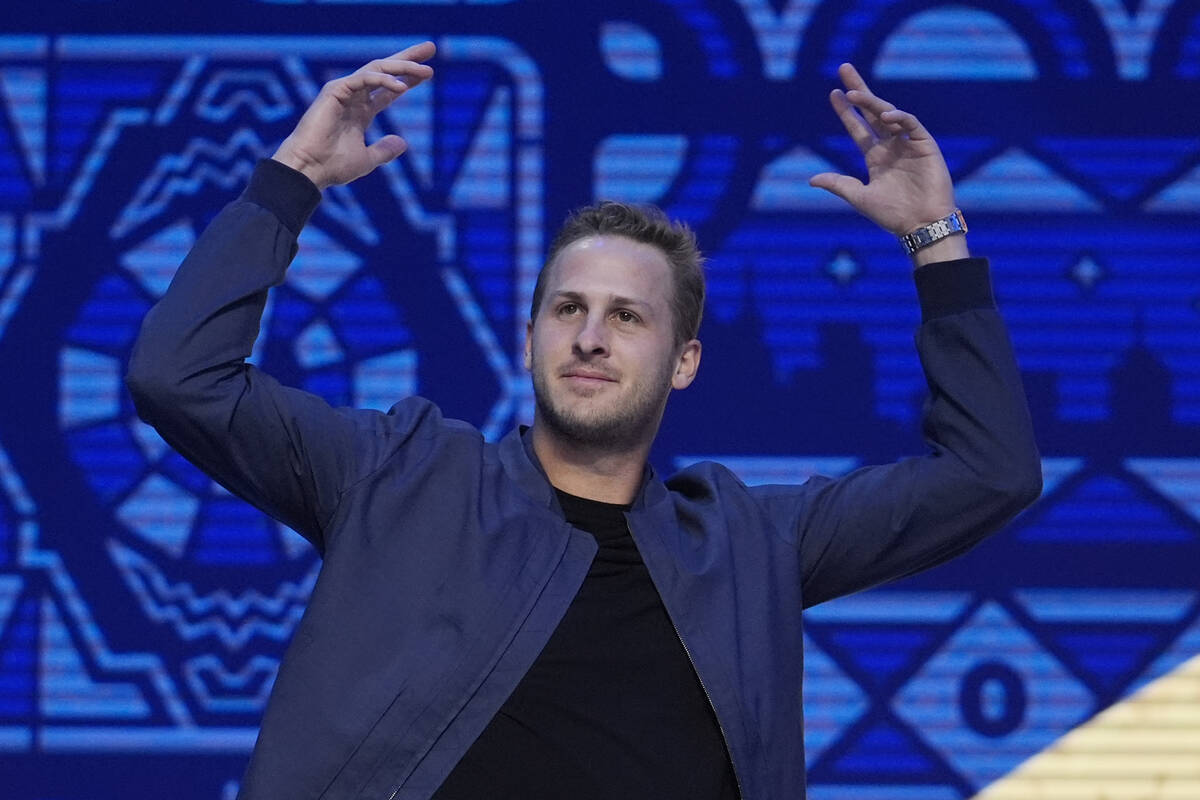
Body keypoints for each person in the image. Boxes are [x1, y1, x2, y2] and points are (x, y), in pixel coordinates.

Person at [126, 41, 1041, 800]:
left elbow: (991, 474)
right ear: (530, 339)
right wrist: (292, 180)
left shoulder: (751, 543)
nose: (591, 337)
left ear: (684, 362)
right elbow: (179, 375)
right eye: (568, 309)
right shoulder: (397, 476)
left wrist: (937, 242)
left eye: (628, 316)